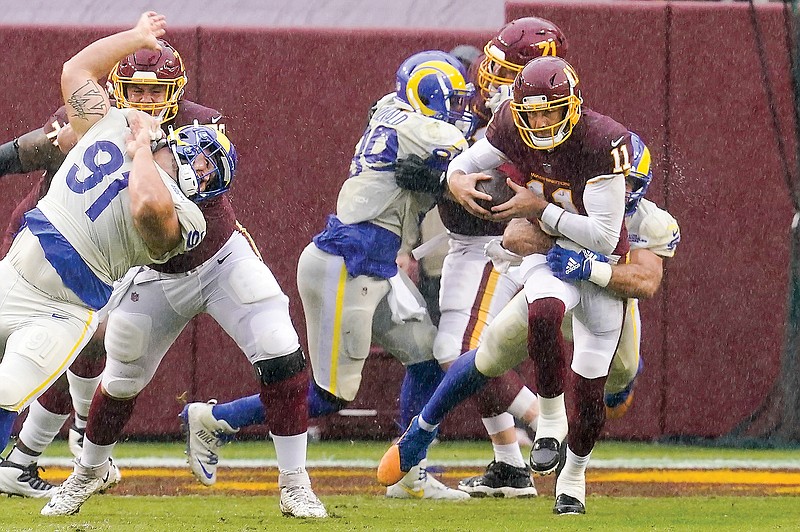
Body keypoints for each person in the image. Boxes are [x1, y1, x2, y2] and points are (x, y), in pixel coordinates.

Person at [32, 17, 327, 520]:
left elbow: (190, 186)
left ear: (175, 90)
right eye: (136, 89)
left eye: (155, 90)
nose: (145, 99)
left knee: (280, 348)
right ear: (117, 88)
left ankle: (295, 483)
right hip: (151, 273)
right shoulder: (99, 122)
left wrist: (143, 147)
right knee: (122, 377)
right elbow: (62, 127)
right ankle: (87, 471)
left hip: (218, 258)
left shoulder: (201, 123)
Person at [178, 51, 476, 501]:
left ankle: (411, 470)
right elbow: (459, 150)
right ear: (427, 95)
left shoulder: (392, 111)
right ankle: (214, 420)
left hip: (372, 263)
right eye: (452, 100)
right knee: (329, 395)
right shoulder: (419, 128)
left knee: (427, 357)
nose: (459, 110)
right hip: (347, 263)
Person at [378, 54, 633, 515]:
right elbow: (465, 167)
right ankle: (444, 430)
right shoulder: (510, 126)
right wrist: (451, 180)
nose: (539, 121)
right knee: (521, 328)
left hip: (603, 269)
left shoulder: (606, 148)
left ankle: (571, 474)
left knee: (602, 383)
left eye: (549, 111)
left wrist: (536, 209)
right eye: (530, 111)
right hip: (548, 259)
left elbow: (608, 241)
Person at [0, 9, 206, 499]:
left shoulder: (183, 215)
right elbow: (75, 70)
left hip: (67, 308)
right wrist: (133, 37)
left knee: (8, 390)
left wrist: (140, 153)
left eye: (191, 161)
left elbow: (150, 212)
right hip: (18, 271)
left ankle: (46, 448)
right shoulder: (107, 122)